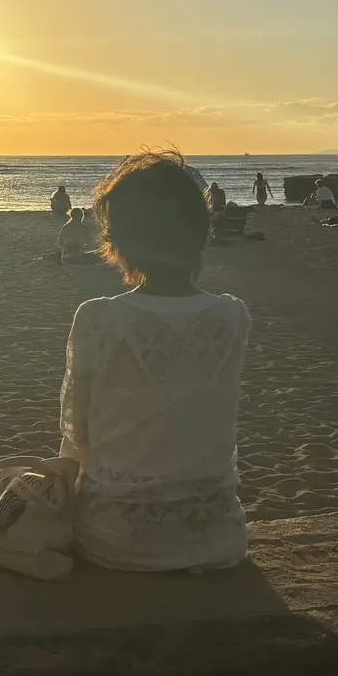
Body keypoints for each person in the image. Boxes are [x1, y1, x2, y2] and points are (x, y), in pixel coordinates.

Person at [58, 151, 252, 571]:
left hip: (116, 542)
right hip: (218, 536)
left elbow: (77, 435)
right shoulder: (233, 316)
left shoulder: (100, 317)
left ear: (121, 241)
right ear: (198, 233)